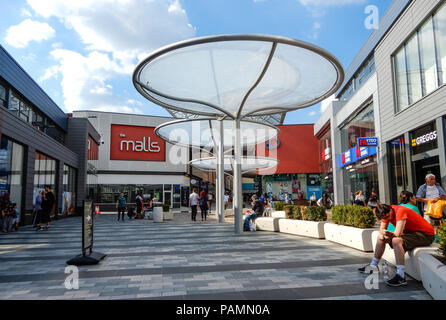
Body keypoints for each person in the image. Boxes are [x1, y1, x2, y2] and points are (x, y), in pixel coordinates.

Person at [358, 202, 435, 286]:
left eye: (388, 217)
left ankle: (401, 276)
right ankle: (373, 266)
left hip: (426, 235)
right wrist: (385, 234)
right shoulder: (384, 213)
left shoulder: (400, 211)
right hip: (411, 234)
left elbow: (398, 233)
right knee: (380, 237)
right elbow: (382, 229)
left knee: (396, 240)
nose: (387, 219)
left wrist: (390, 235)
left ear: (391, 210)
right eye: (385, 218)